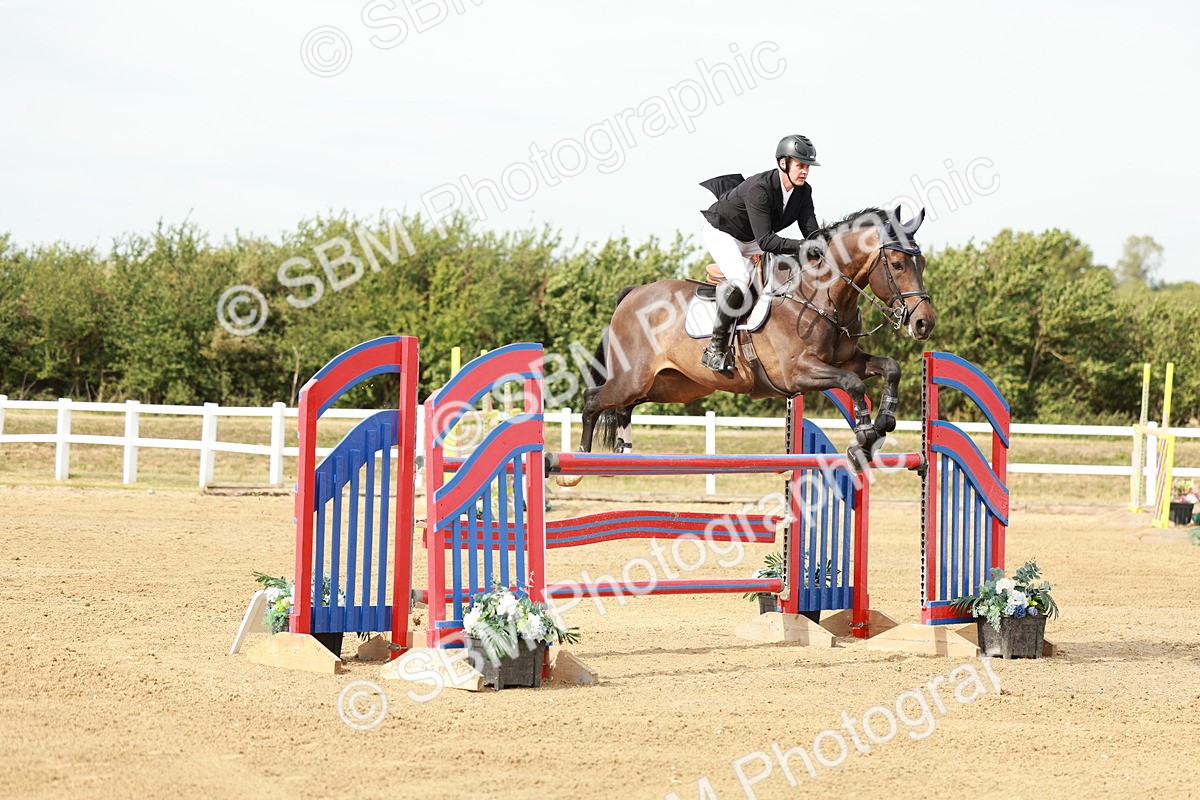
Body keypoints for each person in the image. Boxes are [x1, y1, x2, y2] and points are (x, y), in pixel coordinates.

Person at [697, 134, 821, 371]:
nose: (805, 171)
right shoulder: (760, 188)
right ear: (783, 163)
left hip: (751, 237)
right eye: (800, 165)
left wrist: (826, 245)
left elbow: (811, 233)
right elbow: (766, 241)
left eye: (807, 167)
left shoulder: (803, 192)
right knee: (741, 279)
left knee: (782, 272)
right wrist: (803, 247)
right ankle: (715, 348)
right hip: (722, 232)